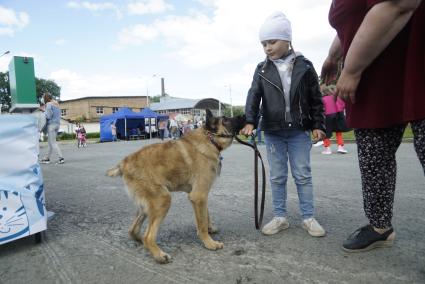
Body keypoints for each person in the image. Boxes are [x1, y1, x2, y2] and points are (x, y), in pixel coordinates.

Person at [322, 0, 424, 252]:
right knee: (373, 158)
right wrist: (333, 56)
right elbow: (350, 20)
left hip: (414, 59)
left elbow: (398, 4)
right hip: (374, 76)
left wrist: (353, 69)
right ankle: (380, 226)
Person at [241, 11, 326, 237]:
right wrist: (250, 120)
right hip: (273, 131)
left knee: (302, 174)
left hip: (299, 130)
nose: (267, 48)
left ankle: (308, 217)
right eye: (263, 44)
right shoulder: (261, 69)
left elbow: (316, 98)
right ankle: (280, 217)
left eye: (272, 42)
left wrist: (318, 124)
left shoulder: (305, 66)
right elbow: (253, 96)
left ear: (287, 39)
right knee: (277, 176)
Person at [320, 84, 349, 155]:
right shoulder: (337, 97)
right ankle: (340, 147)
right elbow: (343, 105)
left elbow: (321, 108)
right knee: (338, 131)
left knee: (326, 132)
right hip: (339, 114)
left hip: (328, 115)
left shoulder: (323, 99)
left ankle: (328, 149)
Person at [40, 92, 65, 164]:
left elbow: (48, 116)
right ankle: (47, 158)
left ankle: (61, 158)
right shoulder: (56, 104)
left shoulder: (48, 104)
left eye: (43, 97)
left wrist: (43, 113)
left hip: (51, 125)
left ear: (45, 98)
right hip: (57, 124)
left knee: (53, 143)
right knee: (50, 143)